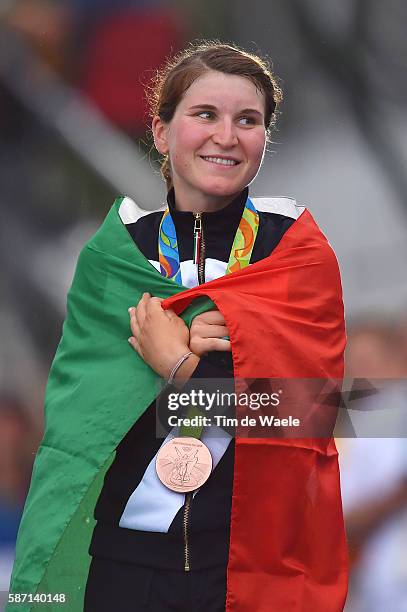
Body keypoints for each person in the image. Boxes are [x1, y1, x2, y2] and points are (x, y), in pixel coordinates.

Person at [7, 42, 348, 612]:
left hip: (247, 566)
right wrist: (221, 367)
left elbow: (312, 416)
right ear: (163, 133)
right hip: (123, 567)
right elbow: (82, 422)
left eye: (249, 120)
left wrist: (182, 366)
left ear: (264, 140)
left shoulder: (295, 255)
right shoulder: (114, 258)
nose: (226, 135)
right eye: (205, 115)